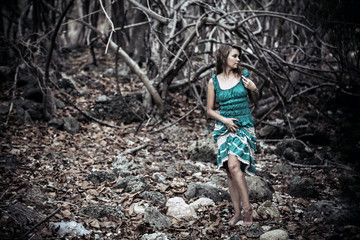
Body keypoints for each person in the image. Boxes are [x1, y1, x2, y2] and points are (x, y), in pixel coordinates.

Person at [206, 44, 259, 227]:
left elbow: (255, 100)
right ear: (224, 57)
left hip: (243, 126)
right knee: (229, 171)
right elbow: (209, 110)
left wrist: (254, 89)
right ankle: (236, 212)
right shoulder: (214, 81)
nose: (238, 59)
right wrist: (225, 120)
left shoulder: (244, 76)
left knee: (234, 166)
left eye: (239, 56)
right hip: (224, 128)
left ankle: (248, 209)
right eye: (234, 56)